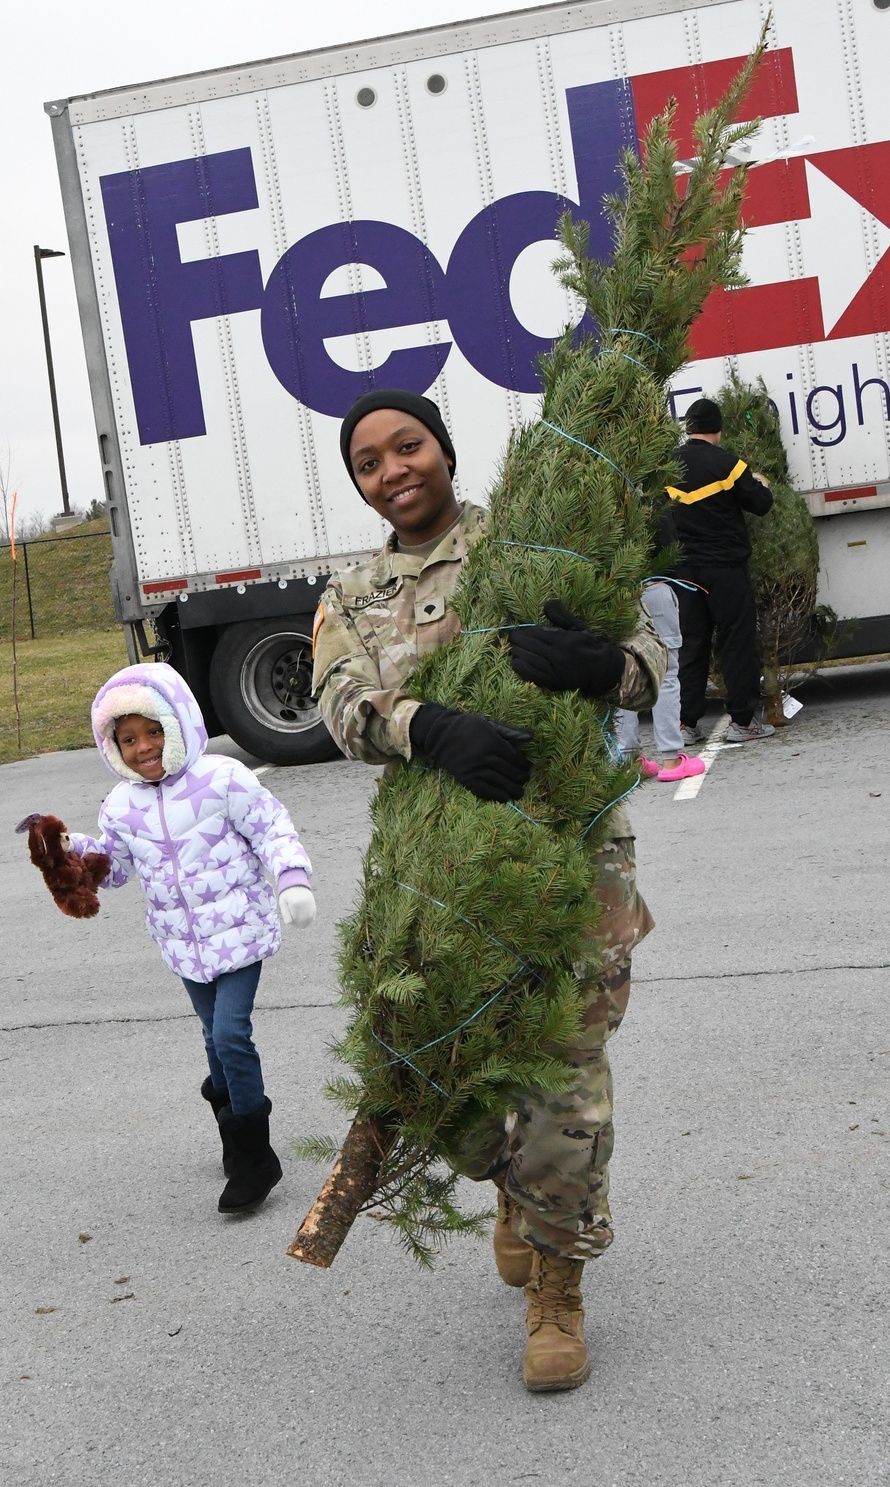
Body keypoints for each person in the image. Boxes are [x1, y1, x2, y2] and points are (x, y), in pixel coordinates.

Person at [311, 387, 666, 1394]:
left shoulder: (532, 544)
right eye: (370, 462)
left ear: (445, 449)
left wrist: (598, 663)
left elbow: (646, 657)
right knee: (454, 1082)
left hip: (570, 856)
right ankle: (513, 1185)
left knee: (567, 1072)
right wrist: (428, 727)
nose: (394, 470)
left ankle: (558, 1288)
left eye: (408, 445)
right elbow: (339, 706)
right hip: (438, 878)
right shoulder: (354, 593)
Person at [34, 662, 315, 1214]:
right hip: (184, 946)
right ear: (113, 746)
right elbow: (113, 868)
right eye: (128, 738)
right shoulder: (122, 804)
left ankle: (257, 1159)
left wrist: (292, 879)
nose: (143, 748)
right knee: (214, 1040)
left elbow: (271, 827)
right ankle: (234, 1138)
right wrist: (68, 850)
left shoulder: (223, 778)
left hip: (239, 933)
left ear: (179, 723)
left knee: (232, 1034)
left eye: (154, 731)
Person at [668, 396, 776, 743]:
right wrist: (761, 482)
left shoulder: (666, 468)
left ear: (689, 428)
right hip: (726, 571)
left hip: (684, 572)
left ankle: (686, 725)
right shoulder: (729, 464)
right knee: (736, 643)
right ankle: (743, 722)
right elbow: (761, 504)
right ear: (718, 429)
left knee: (691, 645)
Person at [614, 577, 705, 782]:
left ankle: (627, 760)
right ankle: (671, 759)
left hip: (615, 590)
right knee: (666, 675)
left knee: (622, 673)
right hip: (653, 587)